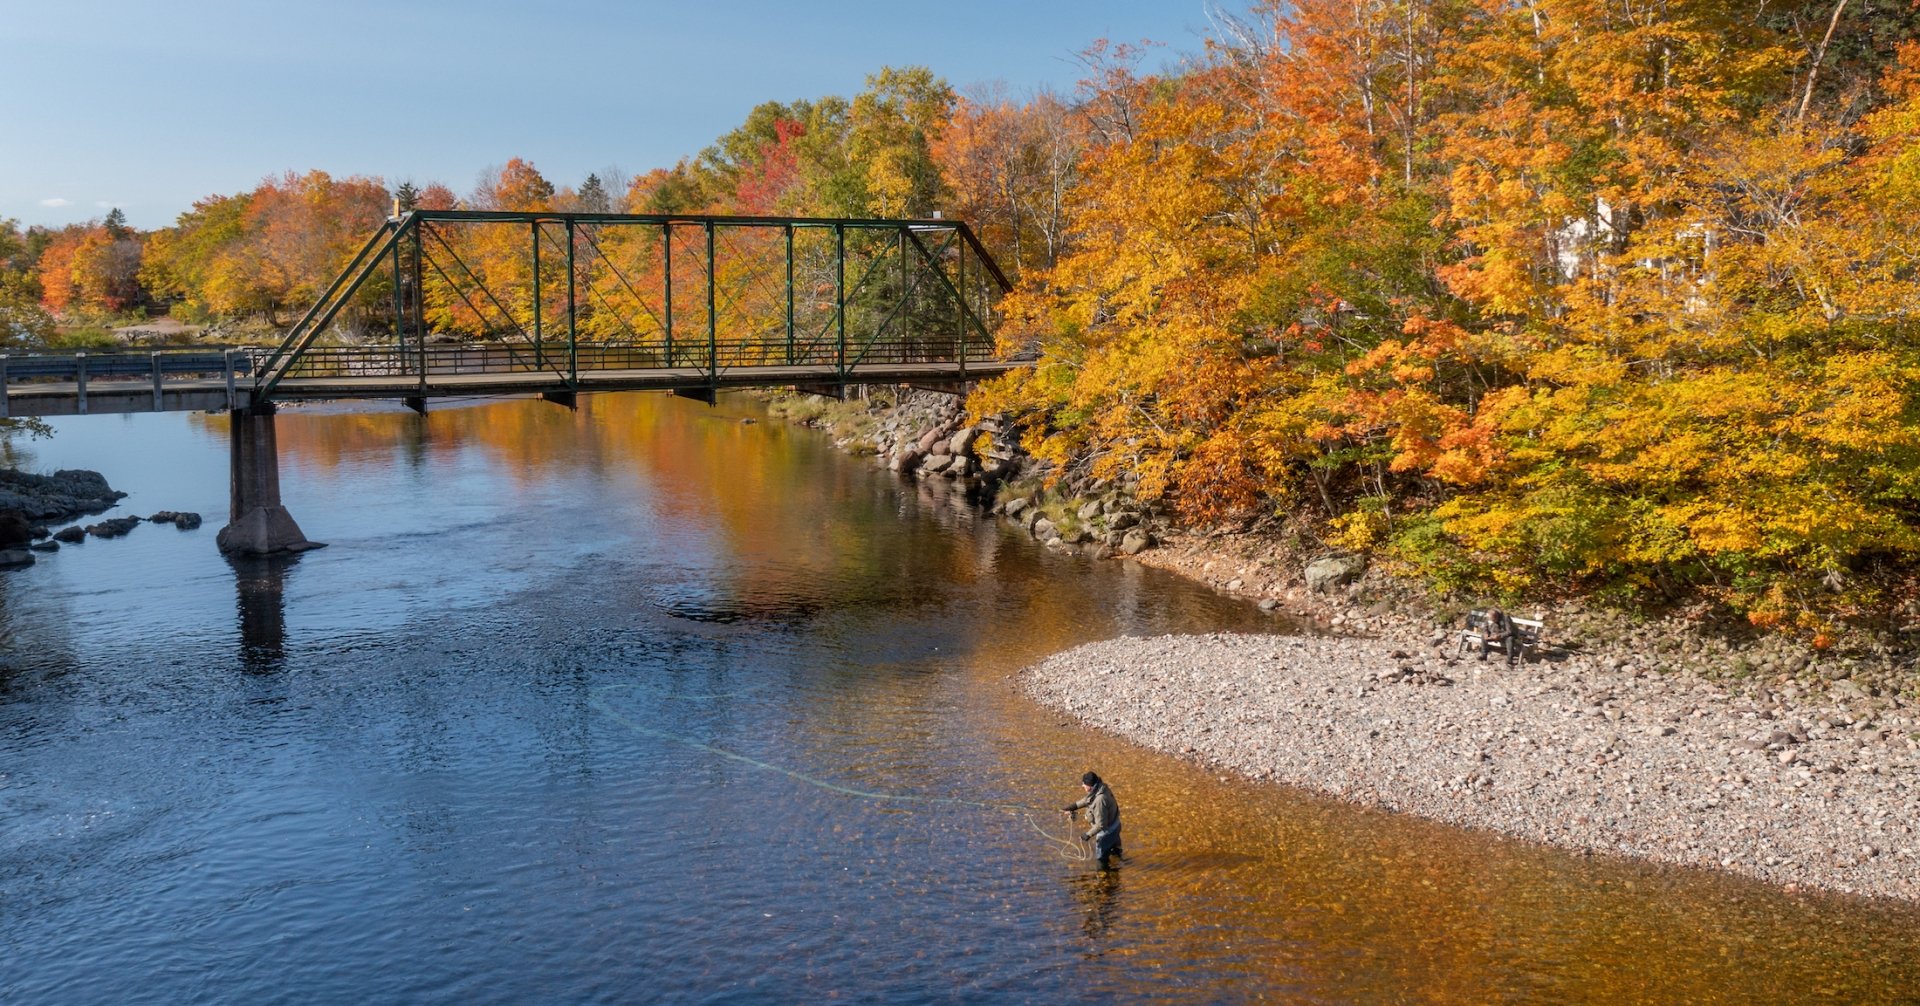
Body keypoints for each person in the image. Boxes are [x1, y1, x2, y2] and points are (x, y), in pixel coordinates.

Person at [1063, 771, 1122, 869]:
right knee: (1116, 851)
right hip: (1116, 825)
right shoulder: (1101, 787)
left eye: (1084, 784)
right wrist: (1072, 807)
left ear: (1090, 786)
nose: (1082, 786)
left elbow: (1100, 825)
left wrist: (1087, 835)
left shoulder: (1100, 800)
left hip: (1106, 833)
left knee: (1101, 860)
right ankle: (1118, 867)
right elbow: (1087, 800)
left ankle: (1104, 877)